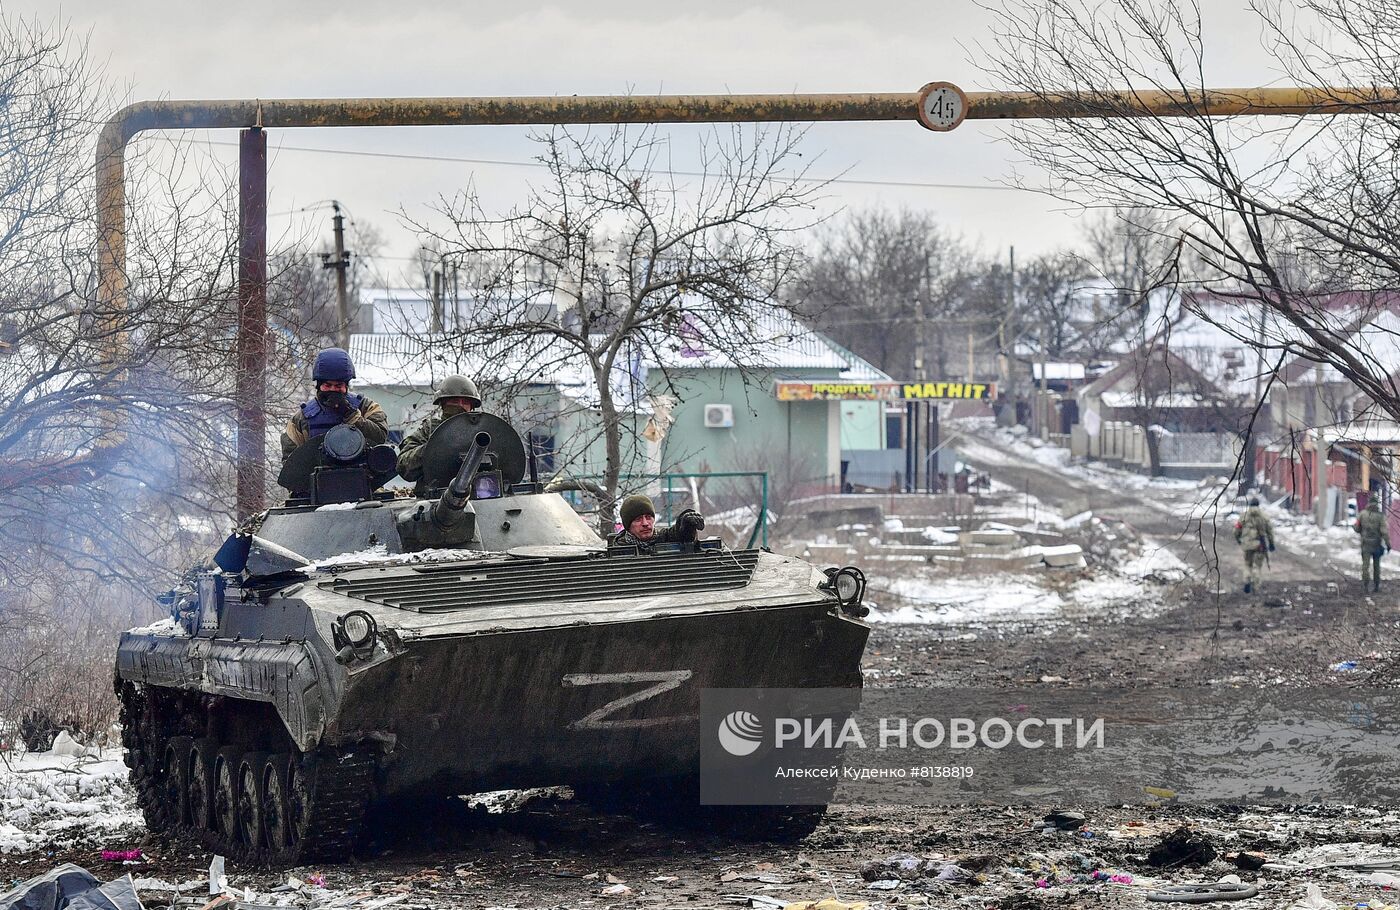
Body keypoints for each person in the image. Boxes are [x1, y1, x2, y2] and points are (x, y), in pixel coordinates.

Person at [280, 348, 388, 463]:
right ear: (319, 385)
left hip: (360, 477)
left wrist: (351, 415)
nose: (333, 390)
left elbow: (380, 438)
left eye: (338, 386)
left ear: (346, 386)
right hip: (320, 479)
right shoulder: (302, 419)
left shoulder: (366, 407)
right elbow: (291, 465)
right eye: (327, 385)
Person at [396, 374, 483, 486]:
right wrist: (433, 447)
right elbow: (404, 466)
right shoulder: (429, 430)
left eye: (465, 402)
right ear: (443, 403)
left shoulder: (482, 432)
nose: (460, 406)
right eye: (455, 401)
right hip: (436, 496)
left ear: (472, 406)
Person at [611, 494, 706, 553]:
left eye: (648, 517)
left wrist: (686, 524)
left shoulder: (664, 537)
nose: (645, 523)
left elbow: (678, 533)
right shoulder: (619, 550)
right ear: (628, 526)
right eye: (638, 519)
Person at [1233, 497, 1276, 594]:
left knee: (1248, 564)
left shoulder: (1244, 516)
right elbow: (1270, 531)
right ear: (1258, 505)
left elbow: (1236, 530)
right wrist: (1271, 544)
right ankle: (1255, 588)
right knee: (1257, 566)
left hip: (1247, 544)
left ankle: (1247, 580)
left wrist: (1239, 540)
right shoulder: (1264, 516)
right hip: (1259, 545)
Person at [1355, 498, 1391, 592]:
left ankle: (1365, 585)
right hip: (1377, 545)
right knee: (1376, 566)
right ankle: (1376, 586)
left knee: (1365, 566)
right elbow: (1384, 531)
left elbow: (1356, 527)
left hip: (1365, 544)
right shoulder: (1380, 516)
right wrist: (1388, 544)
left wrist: (1361, 531)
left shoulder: (1362, 514)